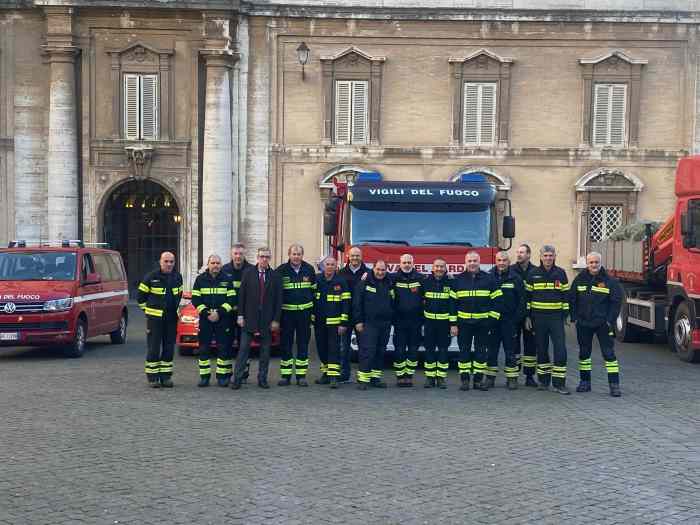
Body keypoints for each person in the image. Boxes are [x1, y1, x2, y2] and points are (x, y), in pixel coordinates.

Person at [570, 252, 623, 397]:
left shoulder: (610, 281)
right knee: (584, 354)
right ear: (587, 264)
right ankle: (585, 383)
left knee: (609, 354)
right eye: (591, 262)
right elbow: (572, 299)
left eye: (596, 262)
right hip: (584, 323)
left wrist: (609, 320)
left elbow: (616, 302)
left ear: (600, 263)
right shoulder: (579, 279)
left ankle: (614, 385)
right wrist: (574, 318)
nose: (593, 265)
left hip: (602, 324)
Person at [232, 247, 283, 390]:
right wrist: (240, 315)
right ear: (257, 257)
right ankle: (237, 379)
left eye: (267, 257)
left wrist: (276, 320)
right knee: (243, 350)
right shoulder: (248, 273)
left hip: (267, 320)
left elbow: (279, 300)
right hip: (249, 318)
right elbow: (241, 296)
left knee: (265, 351)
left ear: (270, 258)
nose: (264, 259)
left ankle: (262, 379)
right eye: (262, 256)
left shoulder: (275, 276)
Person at [451, 251, 502, 391]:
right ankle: (465, 380)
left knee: (481, 352)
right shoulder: (458, 279)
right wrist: (453, 324)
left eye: (475, 261)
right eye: (470, 261)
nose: (472, 263)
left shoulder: (489, 279)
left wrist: (491, 321)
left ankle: (478, 380)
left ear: (479, 262)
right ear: (465, 262)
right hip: (463, 323)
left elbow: (497, 301)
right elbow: (452, 304)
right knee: (464, 352)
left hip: (483, 324)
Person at [525, 245, 571, 395]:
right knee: (542, 350)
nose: (548, 258)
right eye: (545, 255)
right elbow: (527, 298)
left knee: (560, 350)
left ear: (555, 256)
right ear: (540, 257)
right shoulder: (533, 274)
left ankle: (559, 384)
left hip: (556, 318)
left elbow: (566, 296)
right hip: (538, 318)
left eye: (550, 255)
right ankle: (543, 382)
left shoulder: (561, 273)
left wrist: (565, 315)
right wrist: (527, 317)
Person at [137, 251, 183, 388]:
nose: (169, 264)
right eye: (166, 261)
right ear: (160, 262)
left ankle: (166, 377)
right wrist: (149, 312)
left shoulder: (177, 277)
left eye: (172, 262)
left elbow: (179, 295)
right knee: (154, 347)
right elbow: (140, 298)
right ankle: (152, 378)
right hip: (155, 319)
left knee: (169, 347)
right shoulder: (151, 277)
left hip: (171, 318)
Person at [191, 254, 236, 387]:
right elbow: (196, 299)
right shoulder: (200, 280)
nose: (215, 265)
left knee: (223, 348)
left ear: (221, 265)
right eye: (213, 263)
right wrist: (206, 313)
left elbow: (232, 299)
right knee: (204, 348)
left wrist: (219, 313)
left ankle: (222, 377)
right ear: (208, 264)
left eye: (218, 263)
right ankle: (204, 377)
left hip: (222, 319)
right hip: (206, 319)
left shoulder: (227, 279)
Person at [276, 244, 316, 386]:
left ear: (302, 255)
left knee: (303, 344)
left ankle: (301, 376)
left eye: (299, 254)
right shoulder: (281, 271)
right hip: (287, 315)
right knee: (286, 344)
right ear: (289, 254)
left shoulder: (309, 270)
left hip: (304, 315)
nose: (296, 256)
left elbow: (314, 293)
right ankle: (286, 376)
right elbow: (276, 294)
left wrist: (312, 314)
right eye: (294, 254)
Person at [353, 260, 395, 390]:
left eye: (383, 270)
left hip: (385, 323)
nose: (380, 272)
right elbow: (357, 303)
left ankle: (375, 378)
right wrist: (358, 321)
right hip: (368, 323)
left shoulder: (390, 282)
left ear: (386, 270)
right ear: (373, 269)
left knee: (380, 351)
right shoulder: (364, 282)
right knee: (367, 351)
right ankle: (363, 380)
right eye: (378, 269)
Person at [487, 251, 526, 390]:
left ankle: (512, 378)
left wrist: (516, 320)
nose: (501, 263)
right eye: (499, 260)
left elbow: (522, 301)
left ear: (509, 262)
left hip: (510, 321)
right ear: (495, 261)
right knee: (492, 350)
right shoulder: (488, 277)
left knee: (511, 350)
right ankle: (490, 378)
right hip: (493, 321)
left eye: (504, 260)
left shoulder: (516, 278)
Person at [314, 256, 351, 388]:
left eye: (332, 264)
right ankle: (326, 374)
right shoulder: (317, 279)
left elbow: (346, 303)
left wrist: (343, 323)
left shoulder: (341, 281)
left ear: (336, 267)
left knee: (333, 350)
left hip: (335, 324)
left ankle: (334, 377)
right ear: (323, 266)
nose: (330, 266)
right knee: (321, 349)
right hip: (319, 322)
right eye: (327, 264)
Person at [422, 258, 457, 389]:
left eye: (442, 267)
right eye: (437, 266)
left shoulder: (451, 282)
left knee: (443, 350)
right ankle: (430, 378)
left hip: (444, 324)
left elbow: (453, 304)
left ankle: (441, 378)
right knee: (429, 350)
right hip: (429, 323)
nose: (439, 269)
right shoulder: (425, 282)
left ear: (445, 268)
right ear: (432, 268)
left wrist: (453, 324)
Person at [222, 243, 254, 382]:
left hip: (246, 315)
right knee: (227, 344)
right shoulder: (224, 270)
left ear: (244, 254)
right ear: (231, 254)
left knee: (244, 345)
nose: (238, 256)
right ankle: (227, 373)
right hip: (228, 314)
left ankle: (243, 374)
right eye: (235, 253)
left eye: (240, 254)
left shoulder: (252, 270)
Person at [391, 253, 424, 387]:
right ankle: (400, 376)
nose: (406, 265)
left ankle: (409, 376)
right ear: (400, 263)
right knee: (399, 349)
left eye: (409, 262)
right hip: (399, 321)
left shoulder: (420, 278)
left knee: (413, 350)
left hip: (415, 321)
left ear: (413, 263)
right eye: (404, 262)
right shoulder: (393, 278)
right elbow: (376, 277)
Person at [338, 246, 369, 383]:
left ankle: (363, 376)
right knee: (344, 348)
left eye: (357, 256)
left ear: (361, 257)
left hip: (361, 317)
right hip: (346, 316)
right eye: (352, 255)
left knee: (364, 347)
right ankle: (344, 374)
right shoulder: (341, 273)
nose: (355, 258)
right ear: (348, 257)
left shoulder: (368, 273)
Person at [510, 243, 537, 386]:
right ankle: (513, 375)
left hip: (530, 316)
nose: (519, 255)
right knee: (514, 346)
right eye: (517, 252)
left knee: (530, 346)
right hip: (514, 315)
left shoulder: (535, 271)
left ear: (529, 254)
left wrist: (528, 315)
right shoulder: (511, 270)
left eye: (522, 252)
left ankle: (529, 376)